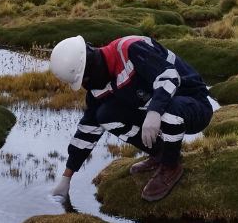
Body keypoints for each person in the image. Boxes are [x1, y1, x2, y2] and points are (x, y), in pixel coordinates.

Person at [48, 35, 214, 202]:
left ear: (92, 65)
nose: (85, 85)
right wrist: (66, 177)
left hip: (194, 104)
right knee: (104, 115)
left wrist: (154, 111)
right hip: (160, 112)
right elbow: (87, 130)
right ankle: (160, 153)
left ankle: (170, 166)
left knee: (168, 110)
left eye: (85, 79)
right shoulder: (98, 84)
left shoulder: (131, 49)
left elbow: (169, 77)